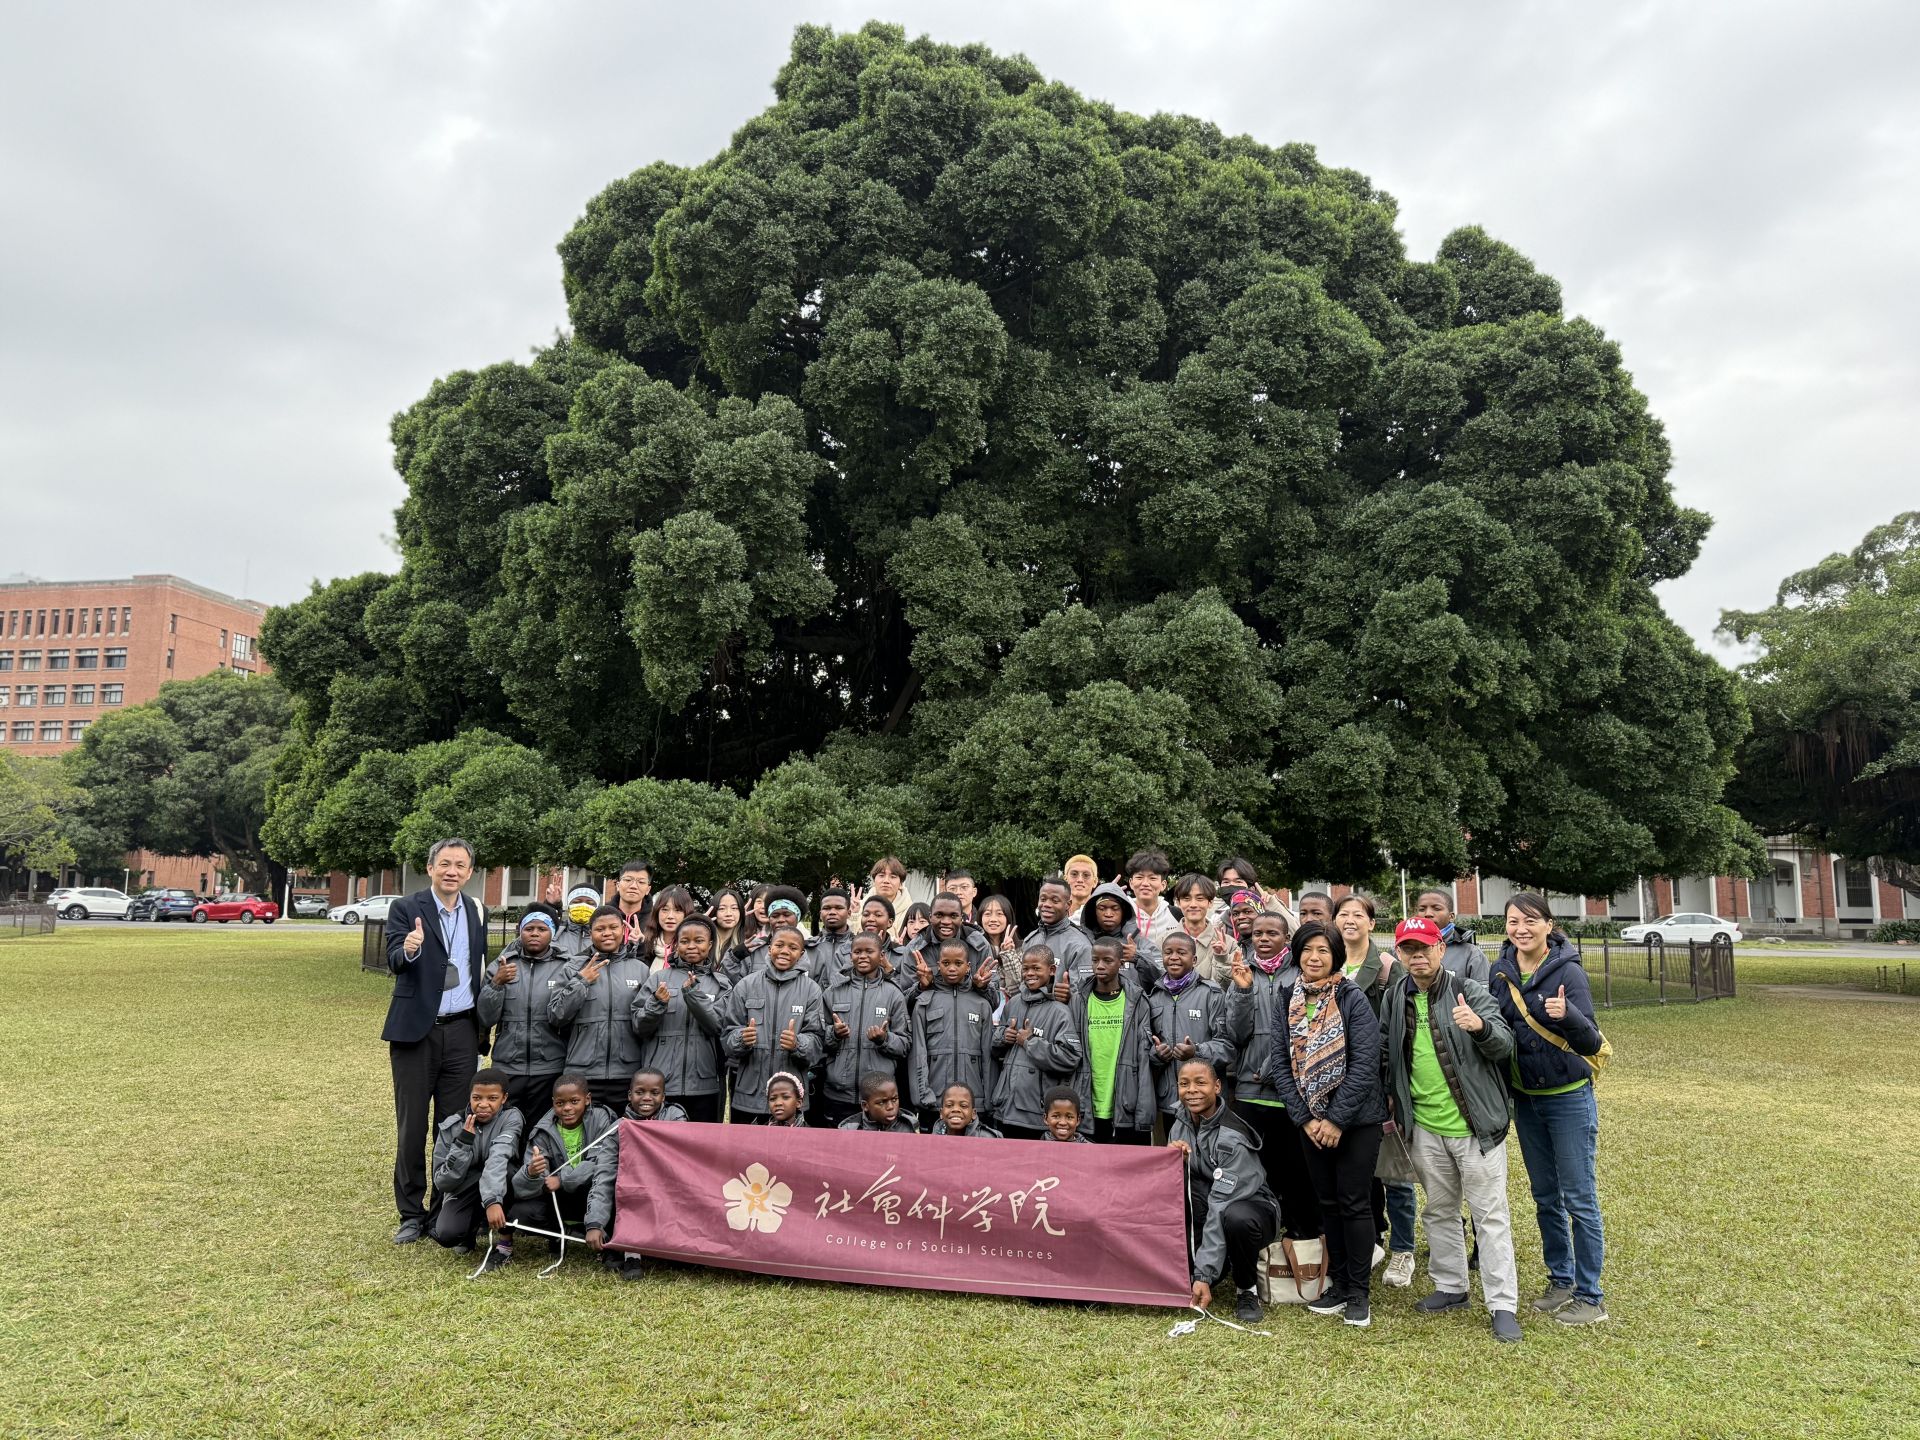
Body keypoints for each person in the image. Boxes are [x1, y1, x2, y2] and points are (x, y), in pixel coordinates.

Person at [1382, 917, 1522, 1342]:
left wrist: (1478, 1027)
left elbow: (1505, 1043)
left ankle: (1502, 1304)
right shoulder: (1394, 997)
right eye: (1409, 949)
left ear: (1441, 950)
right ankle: (1451, 1286)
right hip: (1423, 1126)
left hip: (1474, 1126)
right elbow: (1388, 1055)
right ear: (1400, 954)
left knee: (1489, 1216)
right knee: (1439, 1211)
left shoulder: (1471, 991)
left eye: (1425, 947)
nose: (1417, 956)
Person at [1489, 892, 1609, 1327]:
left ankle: (1590, 1295)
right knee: (1545, 1195)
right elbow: (1498, 1029)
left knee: (1579, 1196)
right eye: (1513, 921)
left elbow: (1591, 1041)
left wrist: (1569, 1015)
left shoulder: (1568, 971)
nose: (1521, 929)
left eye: (1530, 921)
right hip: (1526, 1099)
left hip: (1568, 1096)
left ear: (1548, 924)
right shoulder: (1500, 970)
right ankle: (1560, 1278)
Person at [1272, 921, 1387, 1329]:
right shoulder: (1287, 996)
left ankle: (1358, 1292)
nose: (1314, 957)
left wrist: (1336, 1119)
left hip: (1356, 1120)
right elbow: (1281, 1064)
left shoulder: (1352, 997)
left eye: (1323, 950)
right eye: (1307, 950)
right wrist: (1306, 1119)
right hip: (1310, 1122)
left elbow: (1364, 1064)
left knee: (1354, 1202)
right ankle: (1337, 1284)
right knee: (1329, 1204)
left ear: (1335, 955)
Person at [382, 837, 487, 1245]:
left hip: (462, 1029)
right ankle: (411, 1213)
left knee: (454, 1126)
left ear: (470, 873)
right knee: (411, 1128)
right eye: (445, 863)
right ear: (430, 868)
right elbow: (394, 959)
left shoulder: (476, 910)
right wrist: (408, 949)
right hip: (415, 1031)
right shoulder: (407, 909)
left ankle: (445, 1207)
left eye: (461, 865)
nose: (452, 871)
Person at [1336, 893, 1418, 1290]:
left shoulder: (1387, 969)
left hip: (1378, 1084)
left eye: (1358, 915)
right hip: (1338, 1088)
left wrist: (1389, 1086)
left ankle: (1403, 1249)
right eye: (1343, 914)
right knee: (1358, 1171)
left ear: (1371, 922)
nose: (1350, 921)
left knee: (1394, 1172)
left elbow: (1397, 1033)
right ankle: (1371, 1243)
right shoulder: (1328, 960)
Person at [1225, 913, 1319, 1249]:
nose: (1264, 939)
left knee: (1297, 1171)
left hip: (1292, 1093)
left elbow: (1302, 1031)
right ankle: (1263, 1239)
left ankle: (1302, 1238)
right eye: (1258, 933)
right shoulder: (1242, 970)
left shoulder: (1301, 974)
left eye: (1272, 933)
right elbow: (1235, 1033)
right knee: (1257, 1171)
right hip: (1250, 1092)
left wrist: (1272, 1068)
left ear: (1286, 937)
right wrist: (1241, 990)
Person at [1170, 1056, 1278, 1326]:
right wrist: (1172, 1161)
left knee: (1236, 1218)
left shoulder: (1232, 1136)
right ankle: (1208, 1268)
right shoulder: (1180, 1121)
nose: (1191, 1090)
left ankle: (1246, 1289)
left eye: (1200, 1083)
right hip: (1209, 1201)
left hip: (1252, 1207)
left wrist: (1203, 1276)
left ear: (1217, 1087)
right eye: (1184, 1084)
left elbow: (1220, 1204)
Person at [721, 925, 828, 1125]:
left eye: (793, 947)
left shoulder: (811, 990)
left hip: (791, 1100)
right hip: (749, 1096)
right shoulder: (746, 985)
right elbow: (727, 1037)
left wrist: (798, 1043)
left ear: (802, 953)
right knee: (747, 1155)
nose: (785, 951)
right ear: (769, 948)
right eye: (779, 945)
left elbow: (817, 1043)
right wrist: (741, 1039)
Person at [547, 905, 649, 1112]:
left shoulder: (640, 969)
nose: (607, 933)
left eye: (613, 927)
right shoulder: (573, 967)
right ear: (590, 933)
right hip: (583, 1071)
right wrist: (581, 982)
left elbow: (647, 1023)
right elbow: (556, 1015)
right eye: (600, 929)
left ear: (623, 930)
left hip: (627, 1072)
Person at [508, 1074, 619, 1261]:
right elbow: (522, 1188)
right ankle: (561, 1233)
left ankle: (607, 1241)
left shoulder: (602, 1119)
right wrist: (531, 1173)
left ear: (587, 1099)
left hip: (593, 1191)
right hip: (559, 1198)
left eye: (574, 1101)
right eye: (560, 1103)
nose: (567, 1108)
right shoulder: (543, 1130)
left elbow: (601, 1164)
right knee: (519, 1213)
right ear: (553, 1103)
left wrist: (562, 1179)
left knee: (615, 1193)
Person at [632, 913, 729, 1123]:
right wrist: (656, 1003)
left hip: (704, 1084)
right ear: (676, 944)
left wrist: (693, 996)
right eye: (685, 941)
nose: (691, 946)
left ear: (710, 944)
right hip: (662, 1083)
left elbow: (718, 1027)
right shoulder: (658, 978)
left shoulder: (721, 983)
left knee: (702, 1146)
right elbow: (639, 1026)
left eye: (699, 941)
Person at [477, 910, 570, 1124]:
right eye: (529, 929)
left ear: (552, 933)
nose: (535, 934)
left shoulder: (565, 966)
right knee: (507, 1127)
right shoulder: (502, 965)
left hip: (550, 1066)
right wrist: (496, 984)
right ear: (520, 932)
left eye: (542, 929)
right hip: (508, 1065)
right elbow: (486, 1017)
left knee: (542, 1128)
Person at [1064, 936, 1157, 1143]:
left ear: (1121, 963)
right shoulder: (1080, 999)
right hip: (1087, 1102)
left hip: (1126, 1102)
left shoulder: (1137, 1000)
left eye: (1107, 960)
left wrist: (1143, 1111)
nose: (1100, 965)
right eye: (1095, 960)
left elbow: (1143, 1058)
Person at [429, 1068, 525, 1265]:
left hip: (500, 1179)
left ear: (504, 1098)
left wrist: (492, 1201)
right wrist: (463, 1144)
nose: (483, 1104)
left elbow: (499, 1156)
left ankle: (505, 1242)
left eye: (492, 1098)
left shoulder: (512, 1118)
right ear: (470, 1096)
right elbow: (442, 1181)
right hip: (466, 1185)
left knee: (506, 1172)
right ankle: (468, 1231)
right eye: (477, 1097)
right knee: (447, 1234)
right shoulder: (452, 1126)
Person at [1145, 932, 1235, 1132]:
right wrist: (1157, 1054)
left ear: (1193, 959)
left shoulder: (1211, 994)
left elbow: (1228, 1047)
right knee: (1176, 1156)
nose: (1174, 957)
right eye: (1168, 952)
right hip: (1169, 1099)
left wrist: (1196, 1051)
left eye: (1181, 953)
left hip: (1206, 1099)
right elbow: (1147, 1046)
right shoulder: (1154, 997)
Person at [991, 945, 1083, 1140]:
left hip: (1035, 1113)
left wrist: (1030, 1042)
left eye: (1036, 968)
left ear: (1051, 971)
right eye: (1025, 968)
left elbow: (1071, 1057)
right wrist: (1003, 1037)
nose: (1030, 973)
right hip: (1005, 1108)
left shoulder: (1060, 1011)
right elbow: (994, 1047)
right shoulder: (1014, 1002)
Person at [820, 933, 912, 1127]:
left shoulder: (893, 994)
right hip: (837, 1093)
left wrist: (884, 1039)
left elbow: (905, 1045)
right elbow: (818, 1039)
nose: (862, 956)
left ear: (881, 955)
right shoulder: (833, 992)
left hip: (878, 1097)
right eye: (857, 952)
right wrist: (833, 1034)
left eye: (869, 951)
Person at [908, 937, 997, 1122]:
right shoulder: (925, 1002)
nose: (952, 968)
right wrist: (923, 1096)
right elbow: (918, 1054)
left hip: (973, 1100)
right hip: (935, 1099)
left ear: (968, 966)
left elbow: (989, 1057)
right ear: (938, 965)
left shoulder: (981, 1004)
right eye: (946, 963)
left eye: (958, 963)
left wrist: (987, 1101)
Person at [1077, 881, 1161, 984]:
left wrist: (1137, 957)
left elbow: (1164, 979)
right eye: (1102, 908)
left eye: (1115, 908)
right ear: (1093, 912)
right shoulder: (1080, 942)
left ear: (1124, 912)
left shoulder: (1139, 943)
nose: (1108, 914)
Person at [1412, 887, 1492, 982]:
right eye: (1422, 909)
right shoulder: (1401, 950)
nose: (1428, 914)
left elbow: (1483, 994)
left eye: (1436, 908)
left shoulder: (1472, 954)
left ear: (1451, 916)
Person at [1021, 876, 1091, 984]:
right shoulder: (1030, 940)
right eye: (1043, 899)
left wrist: (1069, 995)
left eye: (1055, 900)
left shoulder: (1079, 945)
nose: (1047, 905)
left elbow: (1084, 992)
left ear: (1068, 905)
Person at [1171, 873, 1236, 982]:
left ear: (1210, 902)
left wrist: (1222, 958)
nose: (1193, 904)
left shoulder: (1229, 944)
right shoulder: (1163, 941)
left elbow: (1234, 987)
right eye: (1186, 898)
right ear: (1178, 902)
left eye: (1200, 898)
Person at [1124, 849, 1181, 949]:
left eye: (1152, 878)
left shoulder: (1177, 915)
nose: (1145, 883)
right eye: (1139, 877)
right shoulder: (1122, 914)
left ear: (1163, 885)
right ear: (1131, 883)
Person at [803, 885, 856, 990]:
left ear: (849, 913)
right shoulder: (806, 948)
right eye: (826, 908)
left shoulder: (858, 947)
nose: (832, 912)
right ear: (820, 914)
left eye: (839, 908)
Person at [976, 895, 1024, 1002]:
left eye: (999, 914)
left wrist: (1009, 954)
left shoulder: (1022, 948)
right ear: (980, 918)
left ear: (1008, 917)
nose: (993, 919)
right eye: (987, 914)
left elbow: (1017, 989)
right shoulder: (975, 948)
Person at [837, 1072, 917, 1133]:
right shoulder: (850, 1130)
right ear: (865, 1106)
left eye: (894, 1099)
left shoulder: (910, 1125)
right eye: (881, 1102)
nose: (890, 1107)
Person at [640, 884, 695, 968]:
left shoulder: (693, 949)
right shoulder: (645, 943)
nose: (670, 916)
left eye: (677, 910)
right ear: (657, 912)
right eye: (665, 910)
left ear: (687, 914)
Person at [552, 884, 603, 962]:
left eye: (590, 903)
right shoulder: (555, 933)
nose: (583, 906)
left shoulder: (604, 935)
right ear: (569, 906)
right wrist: (550, 905)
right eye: (576, 902)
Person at [933, 1082, 1001, 1139]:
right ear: (941, 1113)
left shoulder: (988, 1138)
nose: (956, 1109)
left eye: (963, 1106)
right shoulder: (932, 1139)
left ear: (973, 1113)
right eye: (949, 1105)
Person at [612, 861, 653, 953]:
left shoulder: (655, 920)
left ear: (648, 889)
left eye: (641, 882)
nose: (633, 886)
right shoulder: (604, 915)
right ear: (618, 885)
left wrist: (641, 943)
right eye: (628, 880)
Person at [867, 857, 909, 937]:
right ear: (874, 881)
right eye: (881, 875)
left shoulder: (910, 912)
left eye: (893, 877)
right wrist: (854, 915)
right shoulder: (860, 907)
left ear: (901, 884)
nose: (886, 881)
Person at [709, 886, 747, 960]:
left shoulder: (747, 943)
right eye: (722, 908)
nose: (729, 914)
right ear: (714, 911)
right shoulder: (704, 940)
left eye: (734, 908)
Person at [1061, 854, 1099, 921]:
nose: (1080, 880)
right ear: (1065, 880)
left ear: (1095, 882)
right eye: (1074, 874)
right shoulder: (1056, 913)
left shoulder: (1101, 915)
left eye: (1086, 875)